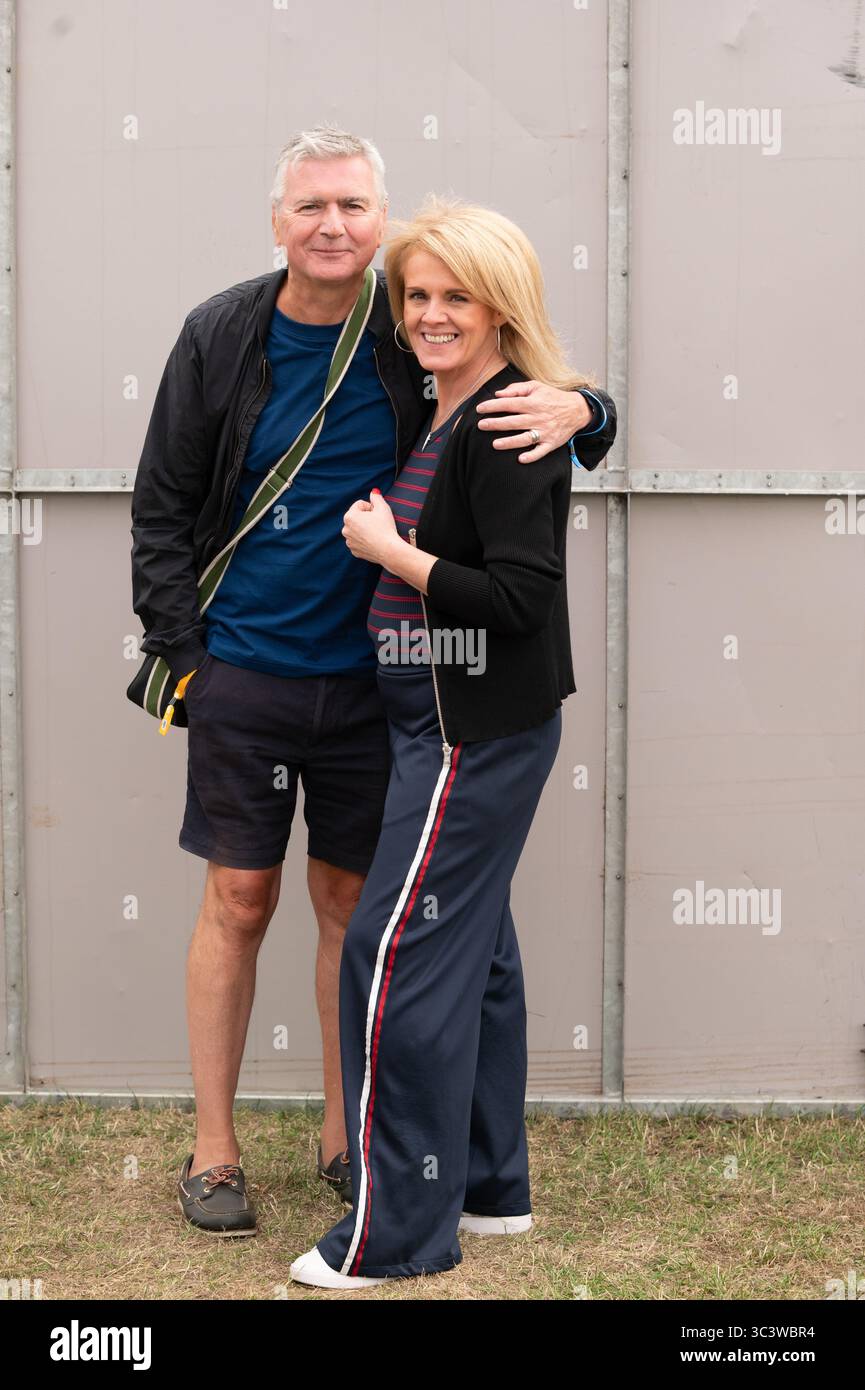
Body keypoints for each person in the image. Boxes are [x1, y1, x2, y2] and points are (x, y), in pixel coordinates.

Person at [130, 127, 616, 1236]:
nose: (333, 226)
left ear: (379, 219)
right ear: (277, 221)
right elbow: (161, 508)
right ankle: (214, 1153)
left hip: (383, 682)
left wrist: (590, 409)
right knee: (237, 901)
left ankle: (350, 1136)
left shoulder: (408, 328)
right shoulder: (219, 335)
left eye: (353, 206)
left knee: (355, 910)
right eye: (311, 207)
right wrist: (187, 658)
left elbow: (519, 378)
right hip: (243, 676)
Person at [289, 197, 608, 1287]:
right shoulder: (460, 403)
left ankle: (393, 1237)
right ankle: (484, 1183)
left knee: (396, 955)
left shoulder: (509, 420)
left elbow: (517, 598)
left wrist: (391, 551)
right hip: (443, 716)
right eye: (416, 294)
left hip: (465, 726)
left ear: (499, 304)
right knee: (476, 952)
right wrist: (591, 405)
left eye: (453, 297)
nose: (428, 314)